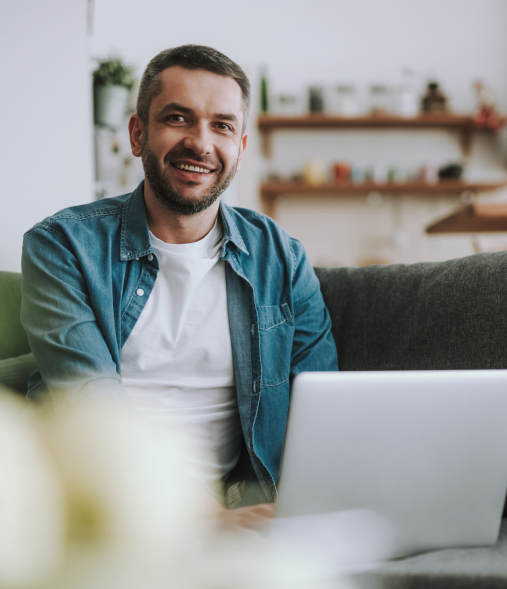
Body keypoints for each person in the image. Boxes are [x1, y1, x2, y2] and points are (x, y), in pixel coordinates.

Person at [20, 45, 338, 524]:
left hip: (240, 511)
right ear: (137, 133)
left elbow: (324, 413)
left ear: (241, 149)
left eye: (222, 125)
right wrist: (205, 521)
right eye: (178, 118)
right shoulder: (62, 246)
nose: (201, 143)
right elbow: (90, 403)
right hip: (94, 506)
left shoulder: (283, 260)